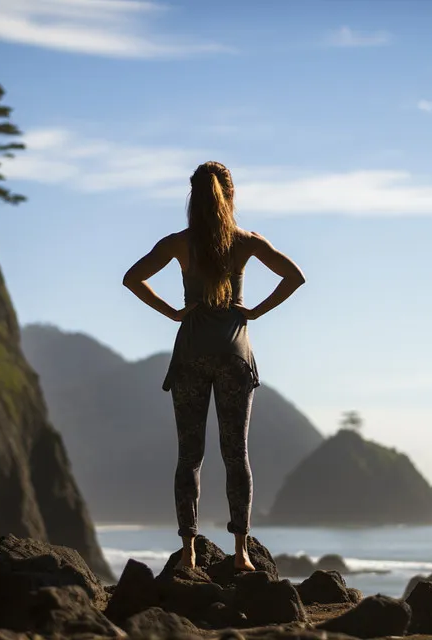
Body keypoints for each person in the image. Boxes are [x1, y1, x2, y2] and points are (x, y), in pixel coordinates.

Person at [123, 161, 305, 570]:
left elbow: (132, 278)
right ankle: (241, 551)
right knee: (235, 454)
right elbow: (294, 276)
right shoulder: (246, 241)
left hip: (190, 356)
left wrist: (173, 312)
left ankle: (188, 549)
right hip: (233, 358)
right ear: (231, 195)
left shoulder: (178, 243)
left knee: (190, 456)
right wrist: (255, 311)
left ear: (194, 198)